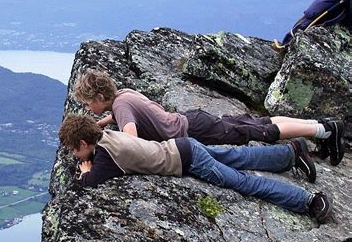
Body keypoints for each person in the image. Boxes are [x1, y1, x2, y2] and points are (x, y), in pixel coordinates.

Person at [59, 115, 333, 223]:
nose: (75, 155)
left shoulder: (106, 156)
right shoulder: (105, 136)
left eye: (75, 150)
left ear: (83, 142)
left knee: (243, 182)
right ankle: (290, 153)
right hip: (183, 145)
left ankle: (309, 201)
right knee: (237, 157)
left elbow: (90, 182)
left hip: (187, 160)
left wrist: (85, 169)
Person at [73, 71, 345, 167]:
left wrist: (105, 143)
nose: (88, 108)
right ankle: (319, 126)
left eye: (88, 103)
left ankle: (323, 131)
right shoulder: (123, 95)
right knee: (256, 122)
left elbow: (131, 140)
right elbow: (129, 113)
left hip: (197, 132)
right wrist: (104, 123)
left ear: (98, 96)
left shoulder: (121, 107)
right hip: (194, 121)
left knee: (260, 132)